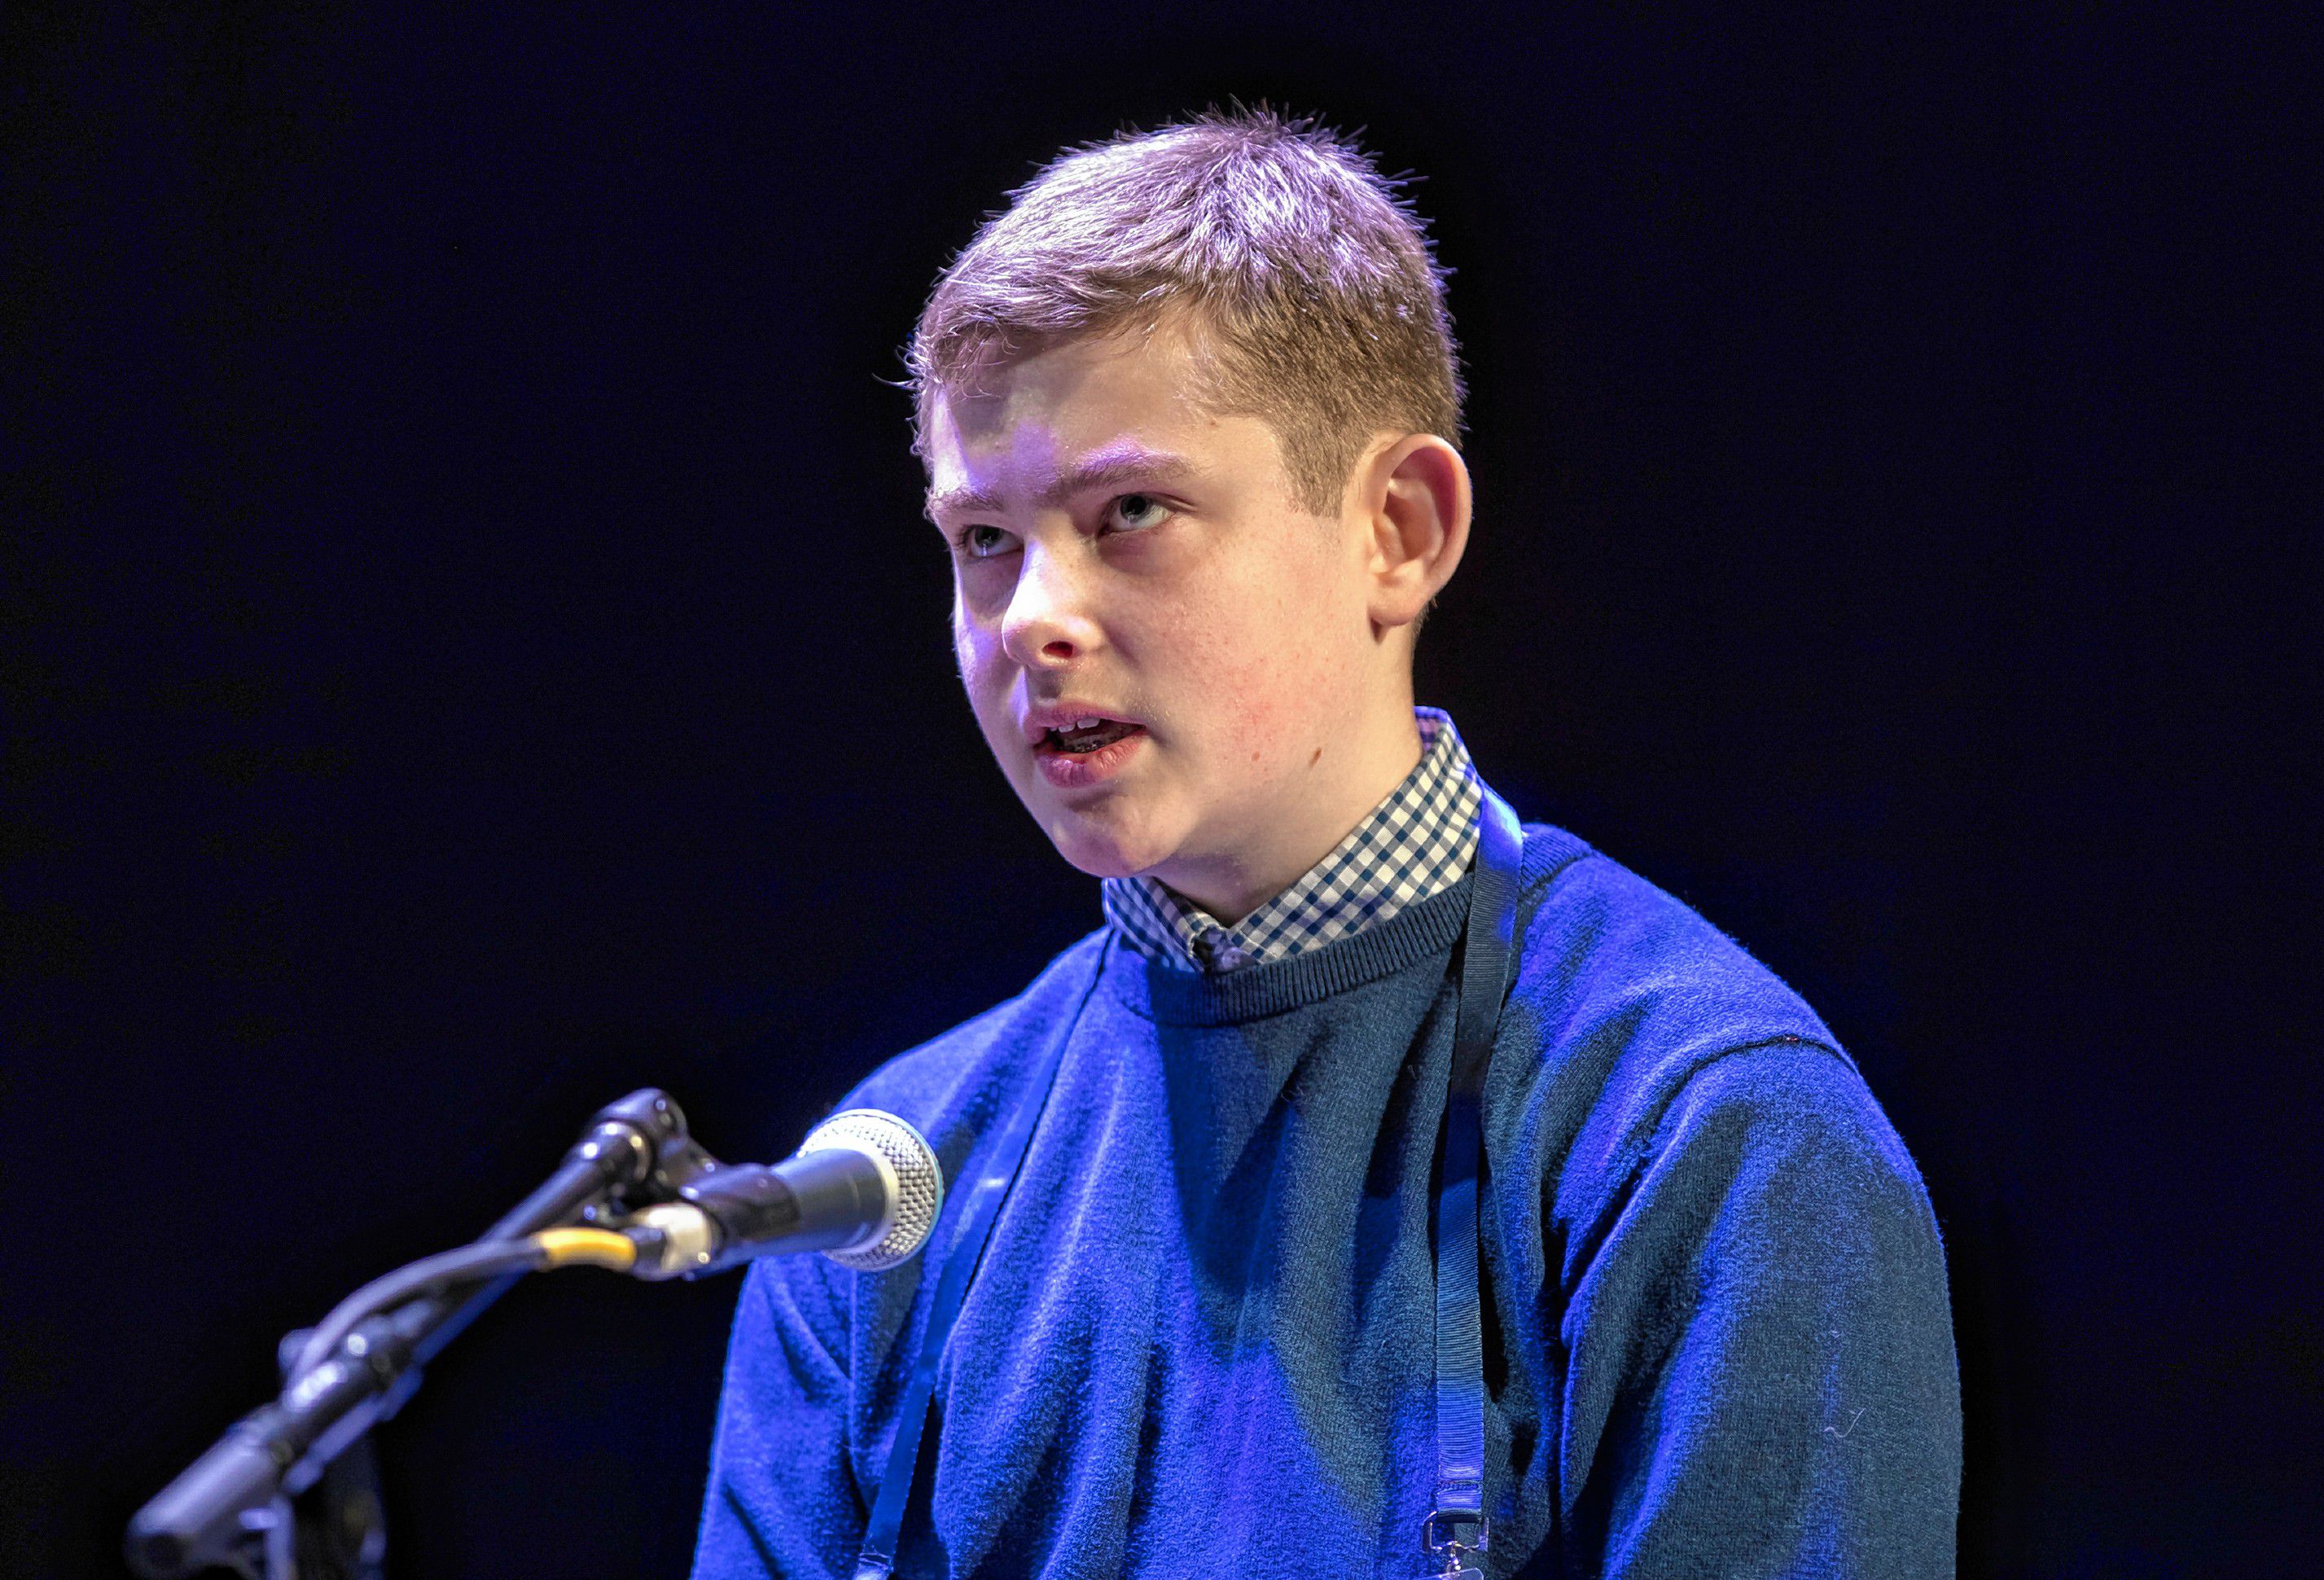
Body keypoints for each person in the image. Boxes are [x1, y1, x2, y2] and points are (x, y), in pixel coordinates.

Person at [691, 109, 1960, 1580]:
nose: (1032, 614)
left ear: (1401, 532)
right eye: (985, 540)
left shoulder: (1704, 1133)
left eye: (1130, 512)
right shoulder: (883, 1183)